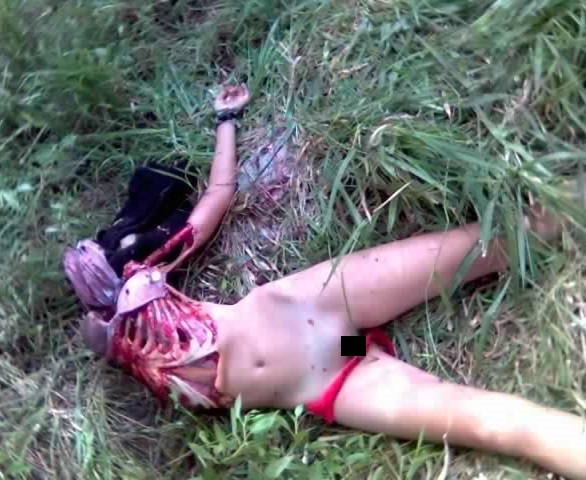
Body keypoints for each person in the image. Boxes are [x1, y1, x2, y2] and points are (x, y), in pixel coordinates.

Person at [64, 84, 586, 480]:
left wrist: (226, 119)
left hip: (320, 304)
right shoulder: (117, 346)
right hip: (331, 378)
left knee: (500, 242)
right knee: (498, 427)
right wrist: (101, 328)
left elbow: (220, 194)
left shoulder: (149, 270)